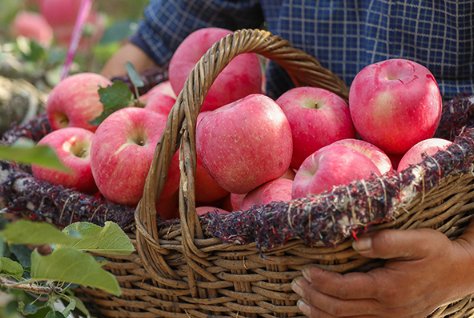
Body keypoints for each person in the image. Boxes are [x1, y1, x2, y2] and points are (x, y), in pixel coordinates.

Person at [101, 1, 474, 317]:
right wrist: (89, 138)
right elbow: (157, 40)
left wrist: (462, 266)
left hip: (446, 218)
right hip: (265, 245)